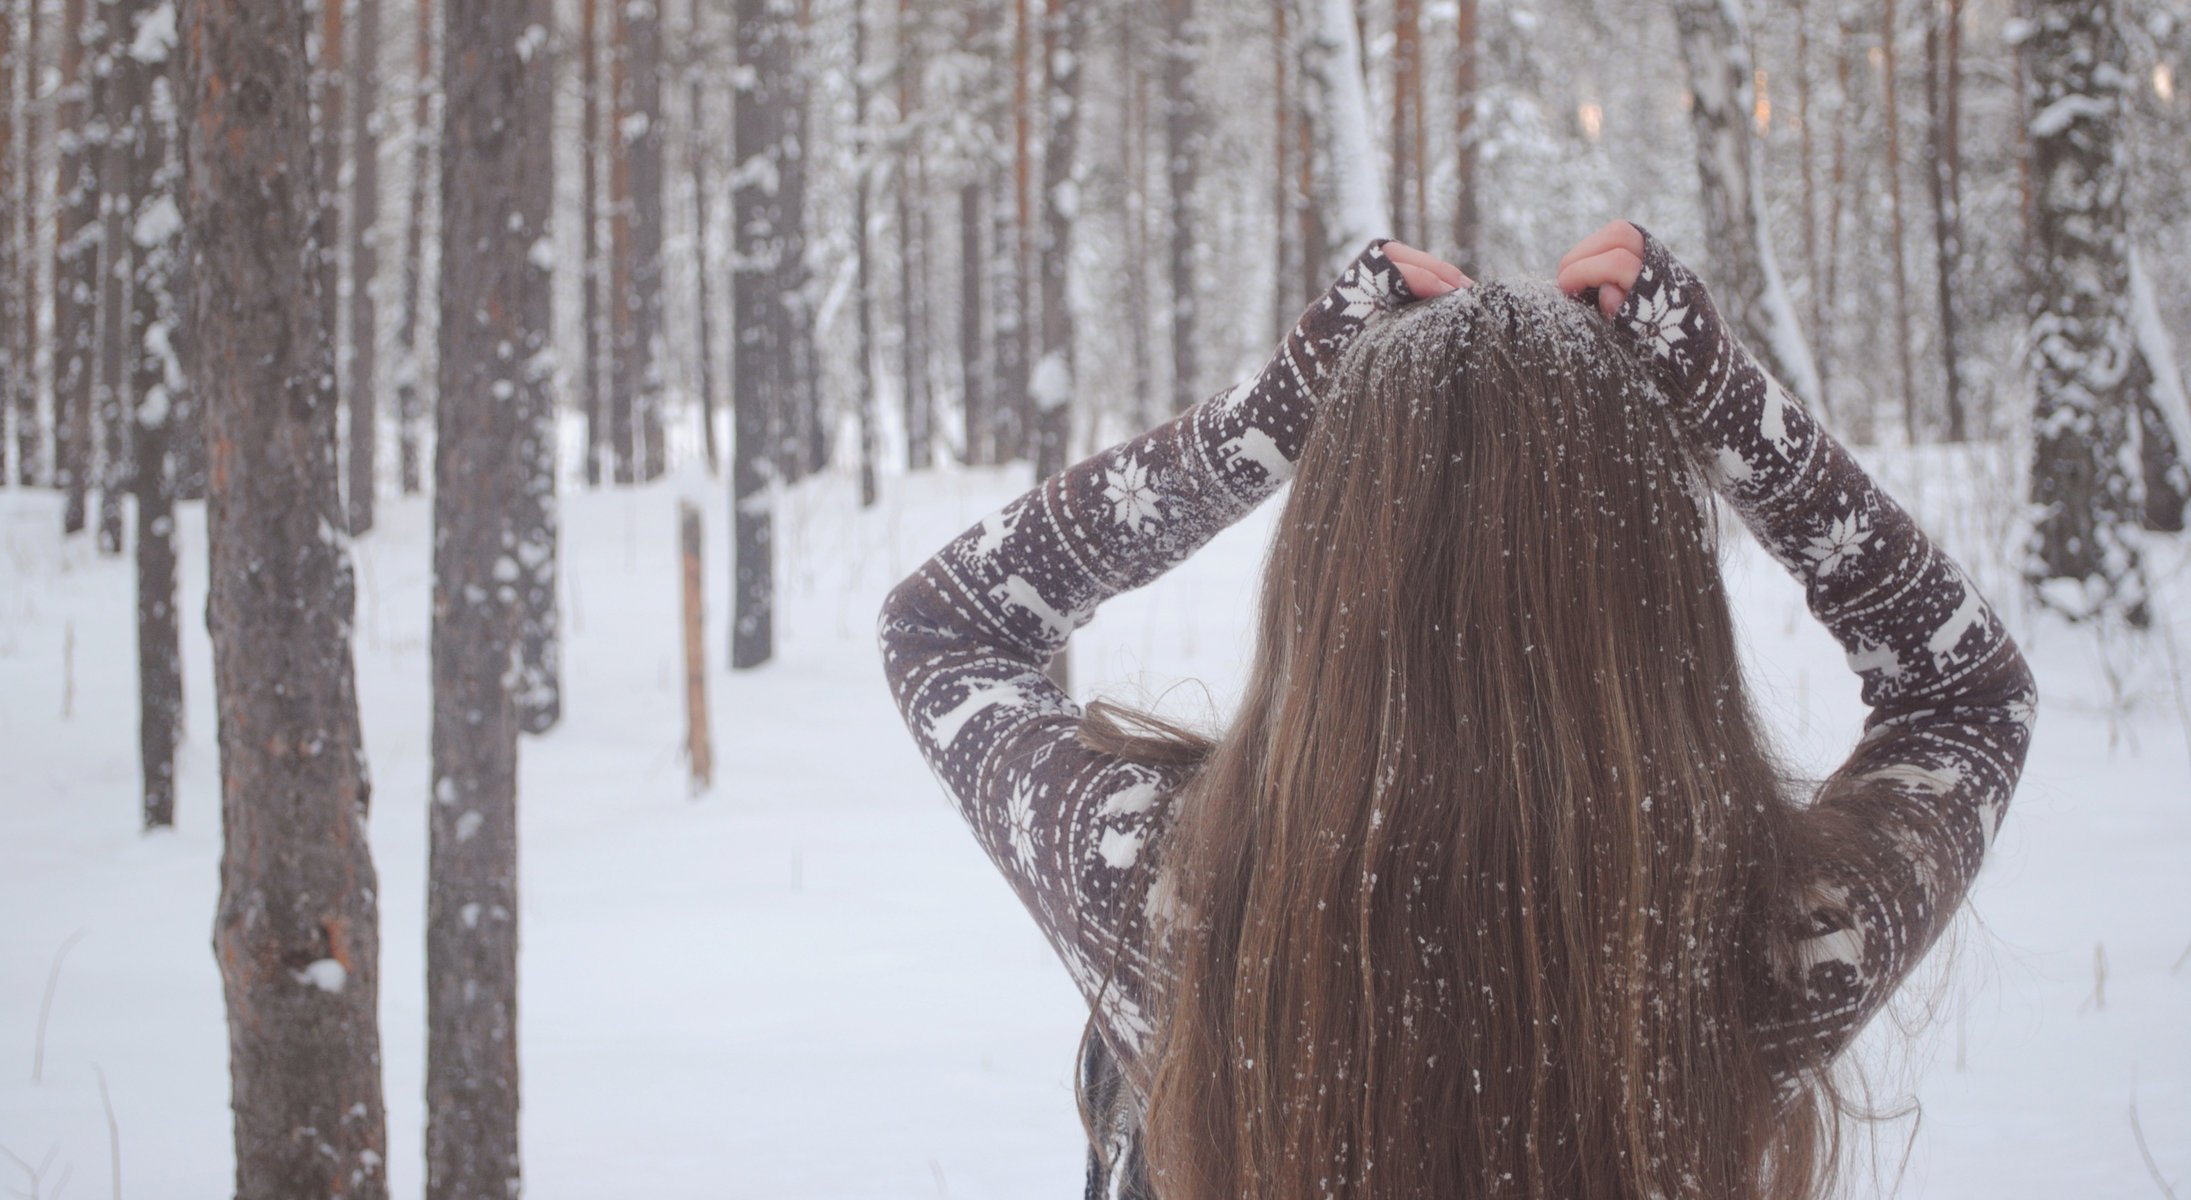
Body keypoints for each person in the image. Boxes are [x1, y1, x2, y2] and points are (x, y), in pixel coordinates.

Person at [876, 220, 2035, 1200]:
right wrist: (1727, 407)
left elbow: (946, 629)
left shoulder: (1178, 903)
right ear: (1659, 611)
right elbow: (1967, 696)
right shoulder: (1752, 951)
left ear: (1327, 583)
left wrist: (1262, 423)